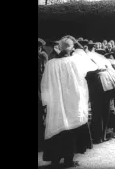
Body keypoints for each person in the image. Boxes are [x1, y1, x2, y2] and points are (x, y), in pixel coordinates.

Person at [41, 37, 93, 168]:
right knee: (71, 128)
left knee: (57, 127)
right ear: (71, 48)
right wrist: (83, 51)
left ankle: (55, 159)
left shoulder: (50, 63)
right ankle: (69, 160)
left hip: (57, 102)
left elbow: (45, 84)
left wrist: (46, 101)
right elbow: (91, 66)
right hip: (72, 101)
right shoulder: (75, 60)